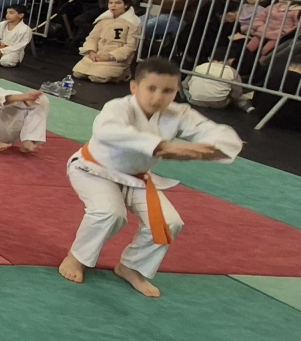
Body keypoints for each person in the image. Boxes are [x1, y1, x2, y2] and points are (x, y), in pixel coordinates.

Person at [58, 58, 243, 297]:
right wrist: (164, 146)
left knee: (169, 223)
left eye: (168, 91)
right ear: (134, 86)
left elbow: (214, 131)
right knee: (109, 213)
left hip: (137, 178)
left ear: (177, 92)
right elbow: (108, 132)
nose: (158, 97)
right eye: (151, 88)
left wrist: (213, 148)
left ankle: (131, 266)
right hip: (93, 170)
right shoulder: (118, 108)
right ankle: (77, 257)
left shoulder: (178, 113)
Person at [74, 0, 140, 84]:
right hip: (98, 55)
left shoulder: (133, 23)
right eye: (111, 3)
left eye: (118, 3)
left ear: (126, 5)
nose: (113, 5)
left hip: (115, 60)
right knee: (78, 74)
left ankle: (123, 73)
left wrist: (110, 57)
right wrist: (91, 52)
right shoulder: (104, 20)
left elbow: (130, 46)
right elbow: (93, 37)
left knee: (96, 78)